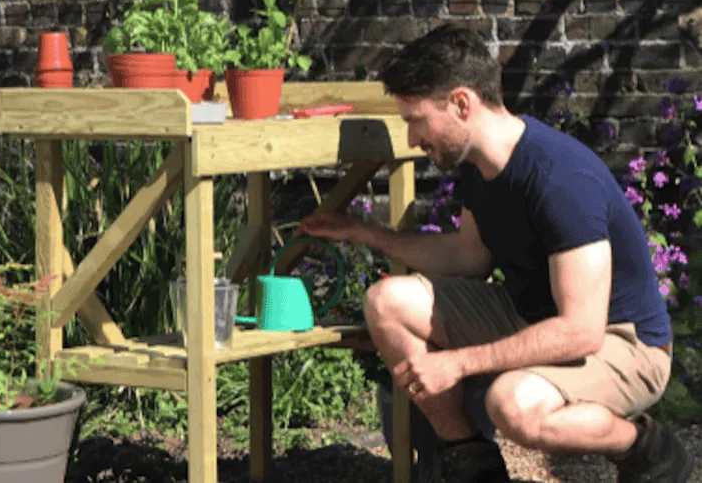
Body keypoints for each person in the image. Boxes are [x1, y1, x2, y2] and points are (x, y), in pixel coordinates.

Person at [297, 25, 693, 483]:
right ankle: (470, 460)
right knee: (388, 303)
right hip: (534, 317)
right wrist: (364, 233)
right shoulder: (479, 167)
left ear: (462, 103)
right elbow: (468, 258)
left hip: (622, 341)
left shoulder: (558, 179)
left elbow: (582, 332)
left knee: (514, 406)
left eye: (416, 120)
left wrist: (458, 362)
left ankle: (646, 449)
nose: (411, 139)